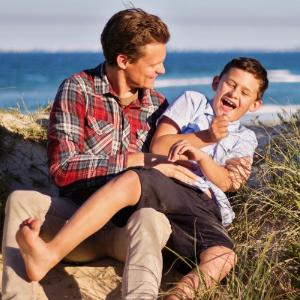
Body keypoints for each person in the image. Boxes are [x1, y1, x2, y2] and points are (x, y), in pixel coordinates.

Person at [15, 57, 268, 299]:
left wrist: (201, 157)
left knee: (222, 257)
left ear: (255, 105)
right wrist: (205, 137)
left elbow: (229, 182)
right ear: (216, 83)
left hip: (205, 203)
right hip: (170, 183)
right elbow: (159, 146)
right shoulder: (193, 102)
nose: (235, 94)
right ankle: (50, 253)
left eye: (245, 93)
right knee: (131, 181)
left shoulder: (246, 138)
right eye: (231, 84)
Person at [2, 8, 175, 300]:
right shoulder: (77, 89)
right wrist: (134, 160)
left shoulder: (158, 105)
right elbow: (63, 168)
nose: (161, 70)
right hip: (73, 225)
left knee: (152, 220)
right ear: (123, 60)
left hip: (127, 231)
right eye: (154, 64)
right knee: (21, 201)